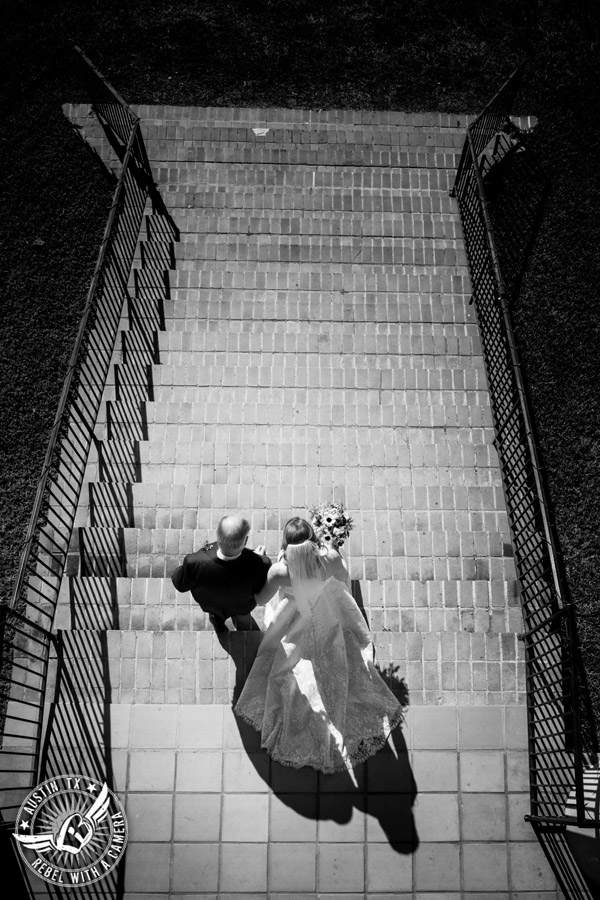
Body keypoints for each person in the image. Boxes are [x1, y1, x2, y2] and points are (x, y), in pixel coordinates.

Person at [234, 517, 404, 773]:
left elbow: (260, 599)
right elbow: (344, 578)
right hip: (327, 610)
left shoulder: (281, 571)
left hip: (293, 614)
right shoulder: (330, 558)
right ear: (313, 539)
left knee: (284, 666)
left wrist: (262, 565)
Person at [171, 515, 271, 632]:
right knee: (243, 620)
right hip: (242, 605)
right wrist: (259, 558)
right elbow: (262, 589)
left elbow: (180, 585)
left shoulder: (194, 562)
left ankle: (218, 625)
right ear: (245, 541)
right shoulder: (262, 564)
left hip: (211, 605)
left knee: (216, 617)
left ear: (218, 537)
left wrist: (185, 568)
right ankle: (247, 636)